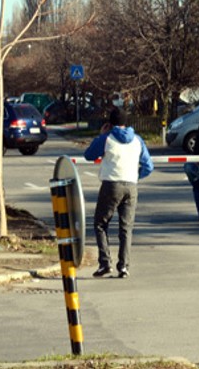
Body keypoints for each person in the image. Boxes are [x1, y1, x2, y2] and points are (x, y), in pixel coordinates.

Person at [84, 108, 154, 278]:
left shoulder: (107, 138)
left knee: (100, 224)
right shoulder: (137, 140)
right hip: (131, 185)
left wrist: (100, 135)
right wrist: (136, 175)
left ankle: (105, 263)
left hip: (111, 184)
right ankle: (123, 267)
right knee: (126, 228)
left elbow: (89, 155)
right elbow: (149, 166)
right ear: (126, 122)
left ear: (110, 123)